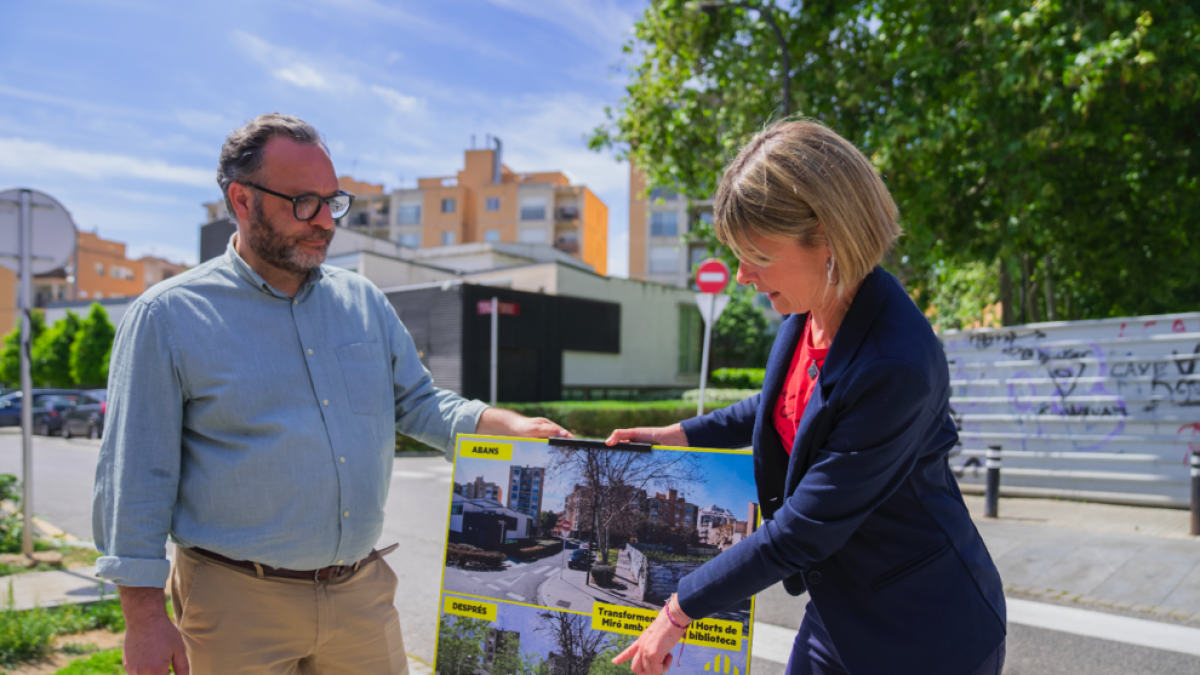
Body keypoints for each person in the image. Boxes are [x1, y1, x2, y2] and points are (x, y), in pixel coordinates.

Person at [92, 113, 570, 675]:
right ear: (242, 200)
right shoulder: (167, 316)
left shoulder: (364, 301)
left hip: (359, 596)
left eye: (331, 201)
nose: (323, 221)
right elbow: (134, 475)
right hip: (234, 604)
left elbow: (418, 402)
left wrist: (501, 424)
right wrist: (144, 617)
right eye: (303, 203)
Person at [606, 121, 1006, 675]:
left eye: (758, 255)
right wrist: (678, 436)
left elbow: (801, 530)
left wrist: (678, 609)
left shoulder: (895, 364)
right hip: (841, 610)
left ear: (829, 240)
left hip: (925, 631)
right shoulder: (813, 305)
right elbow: (780, 408)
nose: (744, 275)